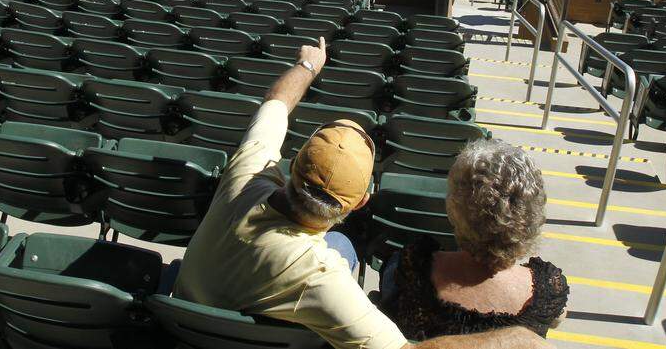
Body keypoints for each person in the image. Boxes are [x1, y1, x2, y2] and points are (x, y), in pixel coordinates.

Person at [174, 39, 551, 349]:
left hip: (184, 328)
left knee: (339, 242)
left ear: (292, 166)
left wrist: (308, 65)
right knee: (341, 245)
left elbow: (276, 102)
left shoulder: (245, 174)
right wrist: (517, 337)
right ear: (360, 202)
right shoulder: (316, 274)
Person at [380, 141, 568, 340]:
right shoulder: (547, 293)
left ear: (455, 209)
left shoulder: (411, 269)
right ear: (532, 215)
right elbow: (558, 317)